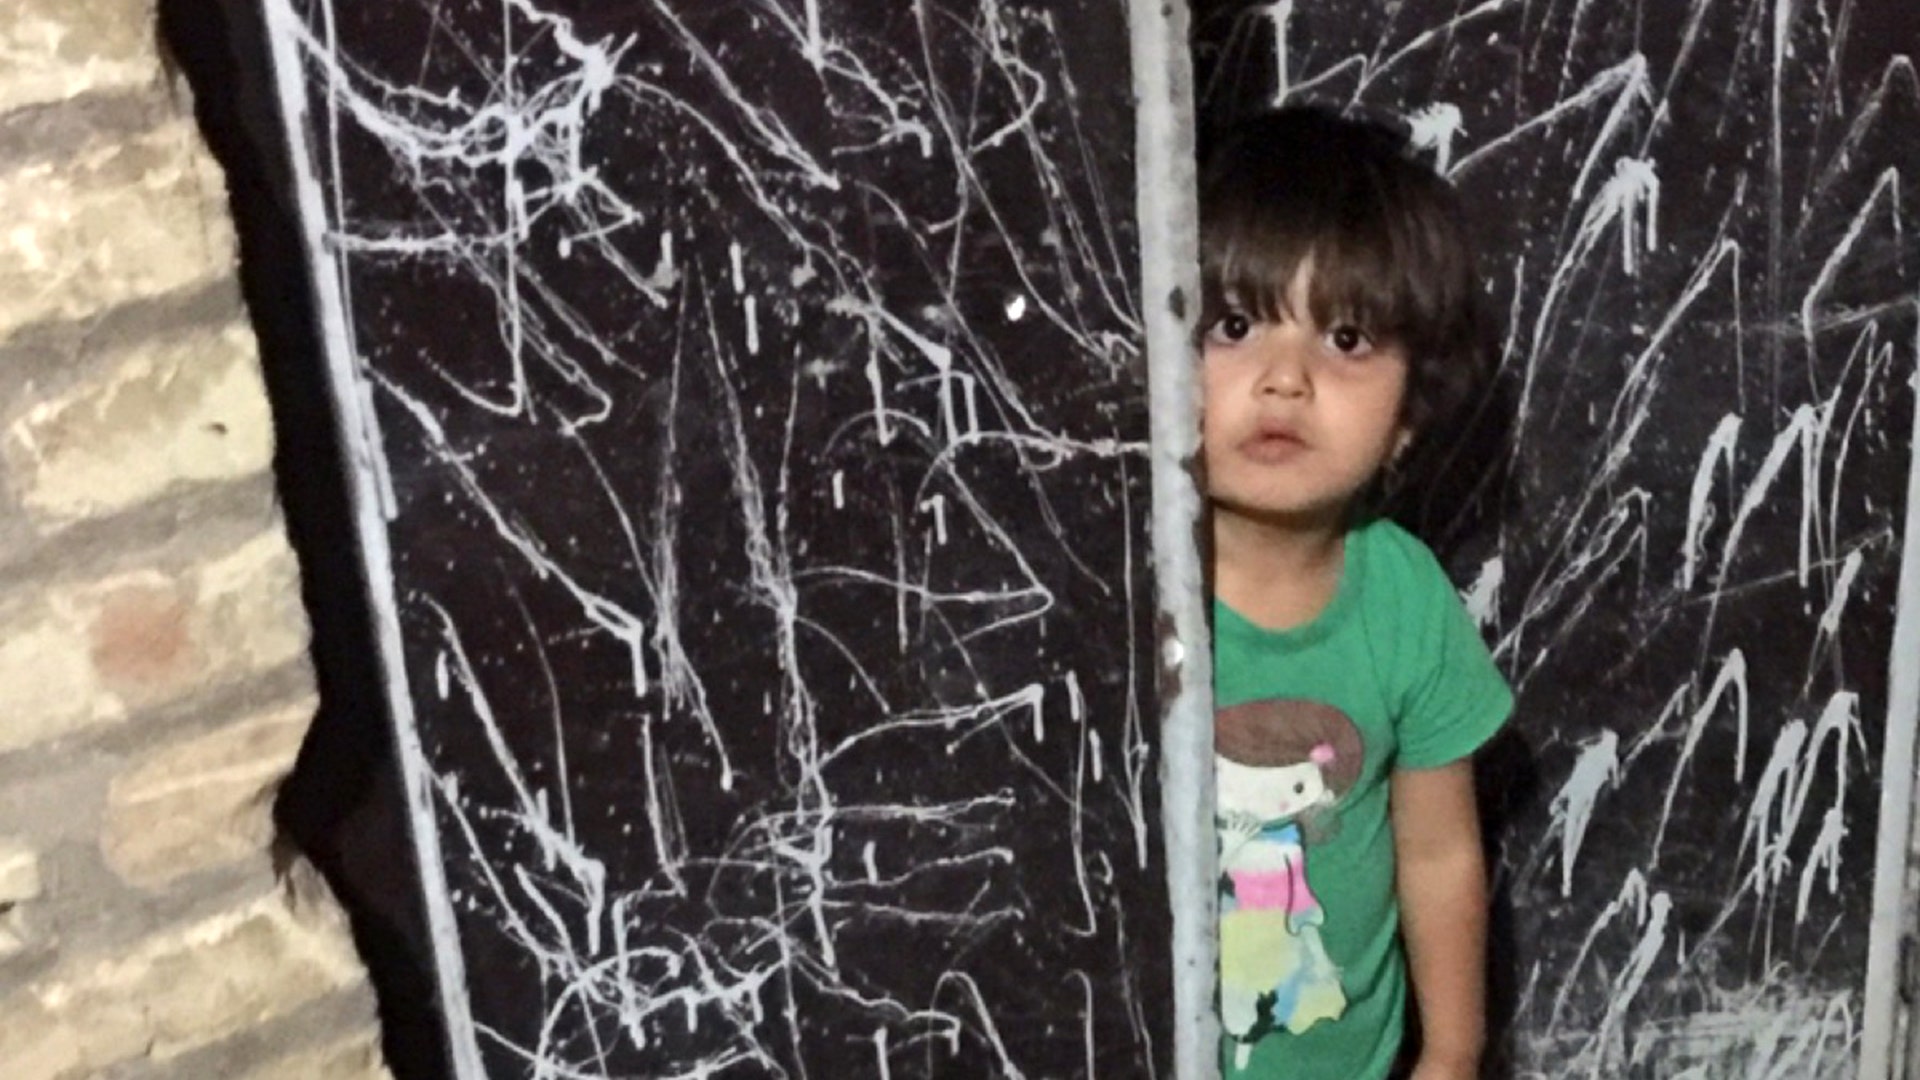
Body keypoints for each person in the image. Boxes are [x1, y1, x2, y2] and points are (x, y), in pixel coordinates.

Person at [1201, 104, 1512, 1080]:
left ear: (1410, 416)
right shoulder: (1114, 592)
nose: (1284, 378)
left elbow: (1438, 857)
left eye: (1344, 337)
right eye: (1237, 324)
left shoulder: (1405, 598)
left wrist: (1453, 1055)